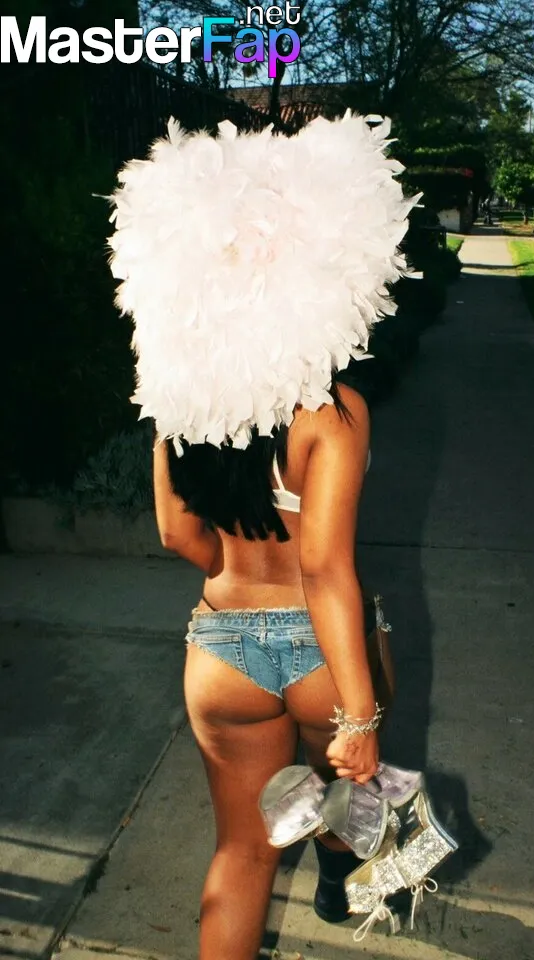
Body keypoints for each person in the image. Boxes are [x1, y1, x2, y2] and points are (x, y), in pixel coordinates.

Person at [107, 113, 416, 960]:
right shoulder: (332, 411)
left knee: (242, 853)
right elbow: (324, 568)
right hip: (322, 655)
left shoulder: (179, 396)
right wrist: (359, 715)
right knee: (344, 775)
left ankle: (318, 856)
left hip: (222, 652)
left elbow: (177, 534)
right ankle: (336, 867)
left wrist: (237, 565)